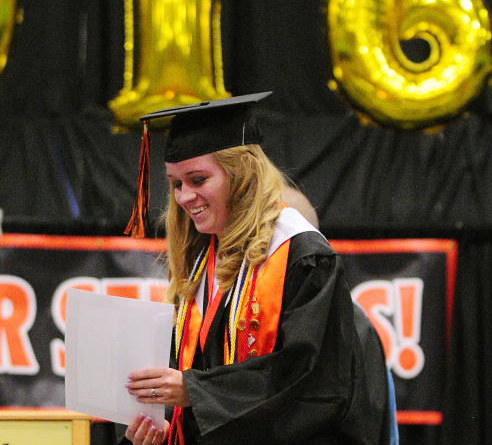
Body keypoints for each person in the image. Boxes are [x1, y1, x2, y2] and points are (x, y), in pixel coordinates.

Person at [120, 92, 391, 445]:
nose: (184, 197)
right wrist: (164, 425)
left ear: (243, 172)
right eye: (176, 184)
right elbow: (195, 378)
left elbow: (313, 382)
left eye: (198, 180)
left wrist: (194, 391)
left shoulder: (301, 255)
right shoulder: (204, 259)